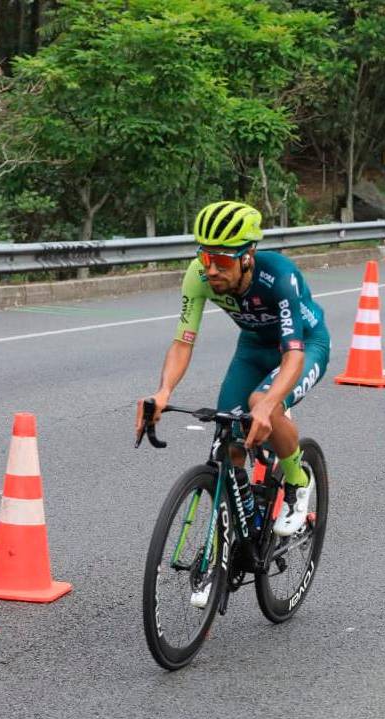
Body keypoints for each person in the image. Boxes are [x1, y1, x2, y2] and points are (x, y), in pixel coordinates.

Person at [136, 200, 330, 540]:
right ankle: (242, 528)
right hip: (253, 348)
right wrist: (164, 392)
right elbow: (183, 341)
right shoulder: (198, 277)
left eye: (221, 261)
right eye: (205, 257)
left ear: (247, 257)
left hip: (304, 346)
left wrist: (270, 404)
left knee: (261, 402)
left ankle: (298, 484)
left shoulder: (279, 276)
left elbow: (293, 355)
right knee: (229, 440)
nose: (211, 270)